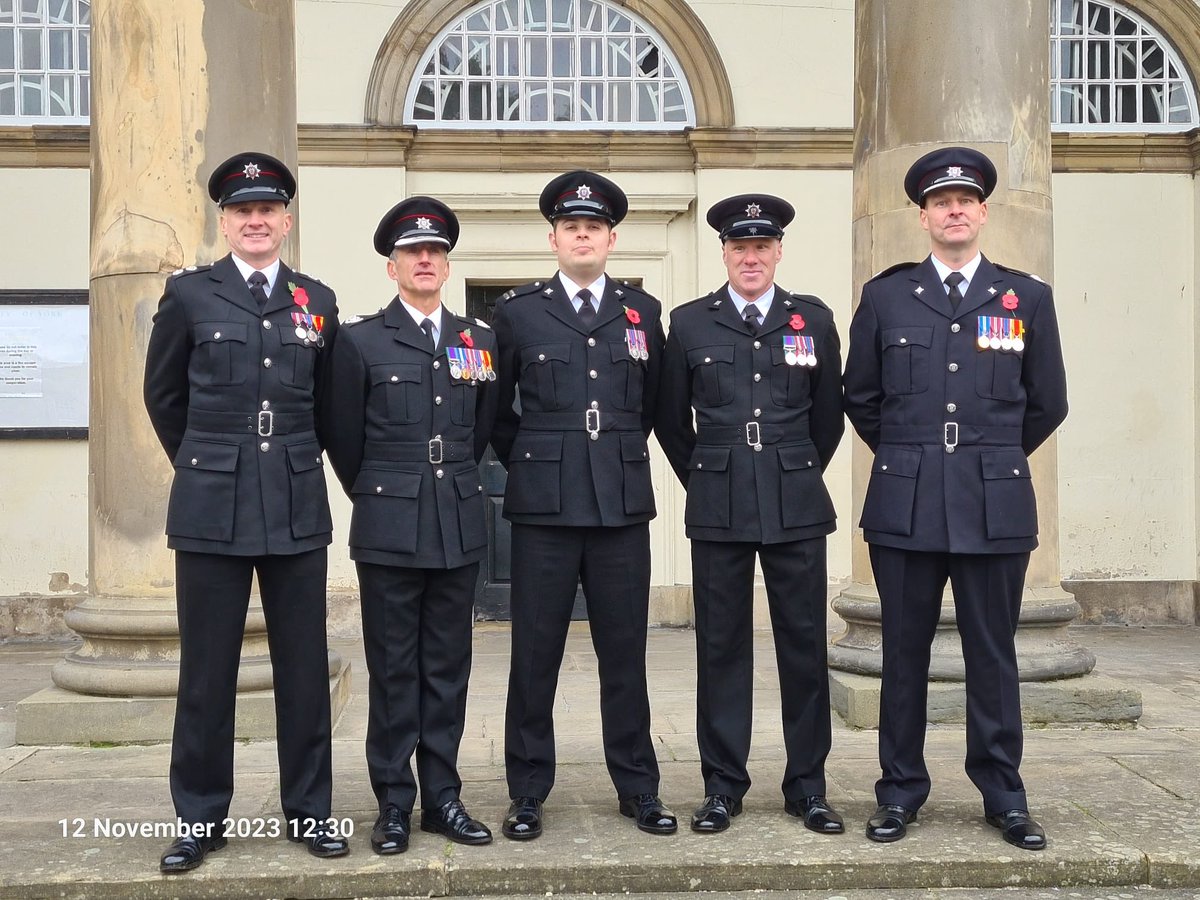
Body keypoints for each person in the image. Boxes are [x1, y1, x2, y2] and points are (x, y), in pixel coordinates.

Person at [843, 147, 1068, 851]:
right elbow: (862, 397)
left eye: (965, 200)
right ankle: (900, 792)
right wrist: (914, 455)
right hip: (905, 503)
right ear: (923, 216)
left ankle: (1004, 795)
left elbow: (1048, 401)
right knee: (903, 655)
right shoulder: (886, 296)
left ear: (983, 212)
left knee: (992, 655)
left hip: (992, 502)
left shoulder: (1024, 297)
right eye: (941, 202)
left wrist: (988, 457)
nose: (955, 210)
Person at [143, 151, 348, 872]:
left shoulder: (316, 301)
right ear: (224, 223)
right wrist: (207, 462)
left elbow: (329, 408)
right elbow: (164, 397)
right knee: (206, 670)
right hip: (211, 507)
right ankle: (199, 818)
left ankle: (311, 810)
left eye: (267, 211)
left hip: (293, 502)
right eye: (242, 211)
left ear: (285, 222)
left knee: (304, 667)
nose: (255, 221)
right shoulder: (190, 296)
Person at [490, 170, 675, 839]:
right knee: (533, 655)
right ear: (554, 237)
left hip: (620, 506)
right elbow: (494, 412)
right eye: (572, 226)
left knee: (625, 653)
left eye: (593, 226)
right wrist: (541, 459)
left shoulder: (642, 313)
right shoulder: (517, 312)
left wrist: (611, 453)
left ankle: (639, 787)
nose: (583, 235)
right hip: (543, 508)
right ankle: (528, 791)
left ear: (611, 238)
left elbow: (653, 407)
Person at [656, 195, 846, 835]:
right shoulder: (689, 324)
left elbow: (828, 416)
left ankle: (808, 786)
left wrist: (794, 467)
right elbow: (670, 419)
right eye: (740, 247)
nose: (751, 257)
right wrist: (710, 473)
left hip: (795, 500)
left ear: (778, 252)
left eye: (762, 246)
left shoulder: (811, 321)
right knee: (722, 647)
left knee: (802, 647)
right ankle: (722, 786)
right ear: (725, 254)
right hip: (719, 501)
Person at [323, 197, 498, 854]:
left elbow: (479, 429)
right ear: (393, 266)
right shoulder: (359, 341)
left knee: (448, 667)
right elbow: (342, 435)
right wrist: (385, 489)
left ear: (446, 264)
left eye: (436, 252)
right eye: (412, 253)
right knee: (395, 668)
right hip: (389, 524)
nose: (426, 261)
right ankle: (394, 801)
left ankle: (444, 798)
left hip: (455, 519)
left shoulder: (477, 340)